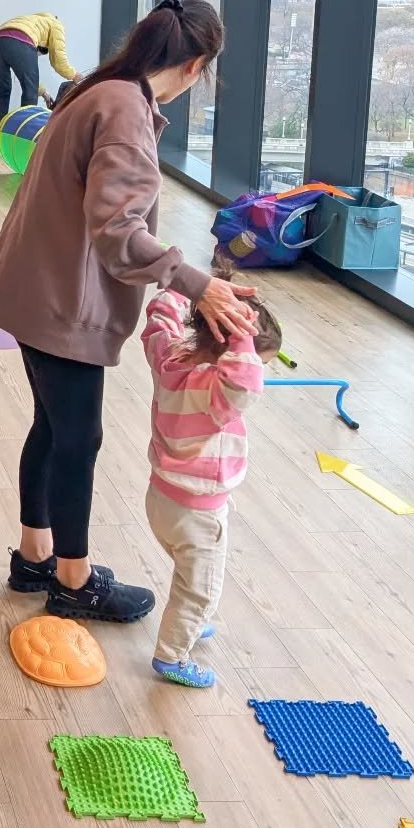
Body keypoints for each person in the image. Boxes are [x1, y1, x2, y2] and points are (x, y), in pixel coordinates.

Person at [0, 0, 259, 625]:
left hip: (28, 286)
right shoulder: (128, 111)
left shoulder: (98, 88)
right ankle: (72, 583)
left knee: (53, 428)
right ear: (196, 67)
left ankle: (35, 556)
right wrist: (197, 283)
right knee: (79, 438)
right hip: (58, 303)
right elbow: (117, 231)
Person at [141, 286, 281, 687]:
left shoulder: (171, 357)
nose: (260, 370)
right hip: (199, 511)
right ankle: (172, 655)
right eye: (259, 360)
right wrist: (242, 333)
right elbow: (245, 384)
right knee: (200, 588)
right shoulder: (215, 390)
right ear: (231, 351)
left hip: (161, 498)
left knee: (188, 573)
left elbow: (158, 319)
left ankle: (188, 620)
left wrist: (189, 288)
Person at [0, 12, 79, 117]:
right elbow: (58, 60)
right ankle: (24, 131)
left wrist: (44, 93)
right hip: (20, 41)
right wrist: (74, 75)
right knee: (30, 91)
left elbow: (24, 74)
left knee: (3, 88)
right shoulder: (56, 24)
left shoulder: (31, 21)